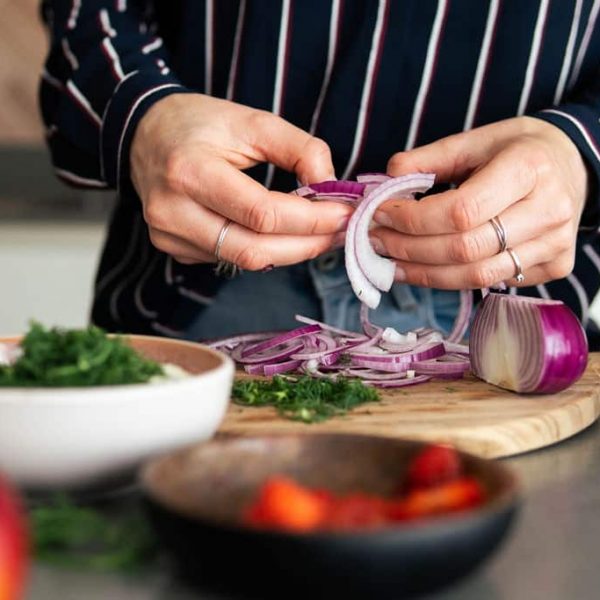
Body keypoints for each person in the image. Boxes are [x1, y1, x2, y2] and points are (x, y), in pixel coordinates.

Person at [39, 1, 600, 347]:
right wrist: (142, 113)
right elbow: (91, 9)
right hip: (199, 298)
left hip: (518, 319)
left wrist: (581, 151)